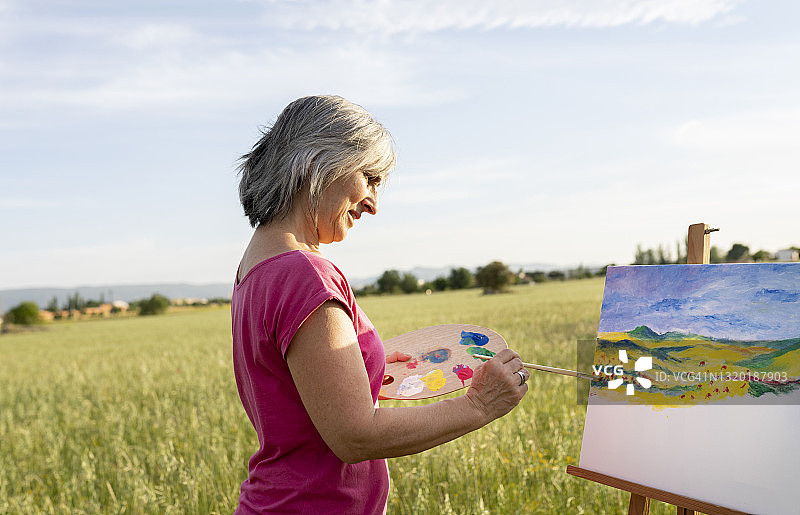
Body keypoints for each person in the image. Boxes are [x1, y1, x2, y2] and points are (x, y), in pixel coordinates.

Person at [231, 95, 529, 514]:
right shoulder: (304, 274)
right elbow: (354, 436)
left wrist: (368, 365)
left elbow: (293, 384)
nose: (373, 203)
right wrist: (479, 404)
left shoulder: (255, 269)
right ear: (320, 163)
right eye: (368, 177)